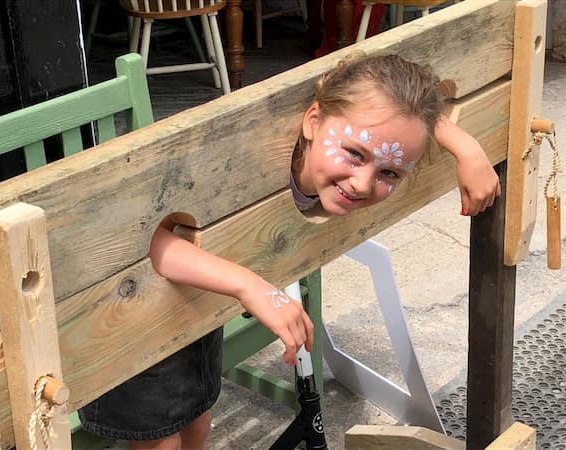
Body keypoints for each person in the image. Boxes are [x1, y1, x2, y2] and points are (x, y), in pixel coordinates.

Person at [79, 52, 500, 450]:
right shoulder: (237, 161)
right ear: (312, 121)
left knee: (199, 418)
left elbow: (410, 116)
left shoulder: (363, 137)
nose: (363, 183)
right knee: (161, 440)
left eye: (388, 172)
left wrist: (466, 146)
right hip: (131, 314)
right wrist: (251, 286)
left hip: (200, 307)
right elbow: (146, 245)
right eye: (354, 154)